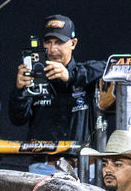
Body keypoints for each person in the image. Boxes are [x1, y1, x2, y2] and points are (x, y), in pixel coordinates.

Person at [8, 14, 104, 172]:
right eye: (48, 42)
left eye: (59, 42)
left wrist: (71, 76)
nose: (53, 49)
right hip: (43, 166)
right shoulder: (34, 74)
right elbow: (17, 119)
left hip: (82, 166)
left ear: (73, 43)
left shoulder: (86, 73)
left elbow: (112, 68)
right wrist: (19, 91)